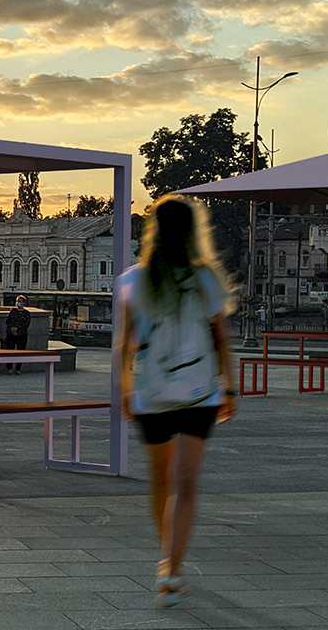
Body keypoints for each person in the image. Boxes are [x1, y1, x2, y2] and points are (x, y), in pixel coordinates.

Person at [116, 195, 237, 608]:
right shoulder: (207, 278)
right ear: (192, 232)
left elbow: (125, 346)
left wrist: (125, 390)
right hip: (200, 391)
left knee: (161, 482)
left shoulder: (132, 280)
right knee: (186, 485)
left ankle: (165, 560)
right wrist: (231, 388)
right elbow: (221, 337)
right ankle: (172, 569)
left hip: (152, 392)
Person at [5, 294, 30, 374]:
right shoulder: (13, 311)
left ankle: (18, 369)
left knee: (21, 351)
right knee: (10, 351)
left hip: (22, 335)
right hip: (11, 334)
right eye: (17, 301)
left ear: (24, 303)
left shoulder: (26, 313)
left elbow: (26, 324)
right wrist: (11, 329)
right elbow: (8, 321)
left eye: (19, 301)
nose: (18, 303)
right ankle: (9, 368)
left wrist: (18, 330)